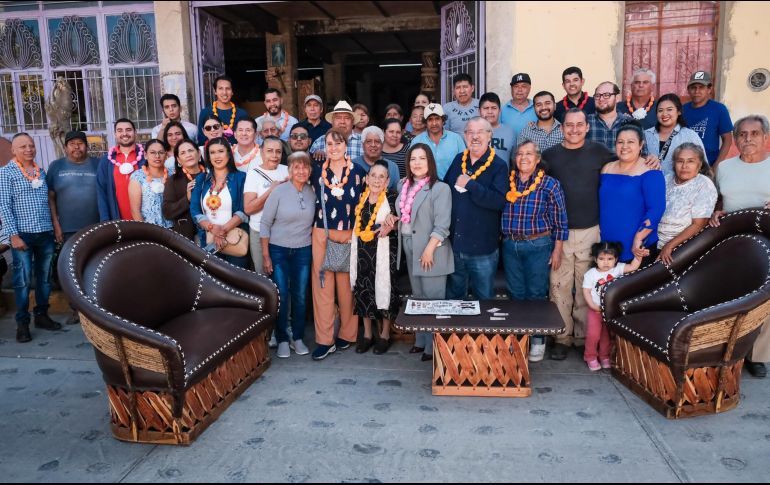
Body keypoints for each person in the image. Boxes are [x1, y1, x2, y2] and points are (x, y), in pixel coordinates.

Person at [542, 108, 618, 361]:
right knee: (559, 286)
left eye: (579, 125)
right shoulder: (549, 156)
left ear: (587, 127)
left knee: (587, 285)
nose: (574, 130)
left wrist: (650, 160)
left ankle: (585, 337)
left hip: (590, 230)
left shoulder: (600, 152)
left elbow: (626, 162)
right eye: (569, 125)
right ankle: (562, 337)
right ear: (561, 128)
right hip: (559, 234)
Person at [710, 114, 770, 378]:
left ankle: (757, 356)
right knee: (732, 295)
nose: (748, 139)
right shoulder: (725, 168)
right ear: (734, 139)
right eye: (742, 134)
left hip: (767, 241)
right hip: (733, 242)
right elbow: (719, 201)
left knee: (764, 299)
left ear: (765, 137)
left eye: (754, 134)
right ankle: (730, 350)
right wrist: (716, 212)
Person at [502, 140, 568, 362]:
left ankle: (538, 341)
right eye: (519, 154)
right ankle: (518, 339)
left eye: (529, 154)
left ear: (538, 159)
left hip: (538, 245)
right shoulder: (508, 182)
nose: (523, 158)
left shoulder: (550, 184)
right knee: (515, 294)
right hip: (510, 245)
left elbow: (561, 221)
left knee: (537, 294)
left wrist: (557, 250)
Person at [309, 130, 367, 360]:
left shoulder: (359, 172)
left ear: (346, 145)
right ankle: (325, 339)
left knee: (347, 286)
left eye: (338, 143)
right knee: (322, 286)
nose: (333, 147)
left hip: (349, 232)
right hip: (322, 231)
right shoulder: (316, 172)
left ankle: (348, 333)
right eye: (329, 143)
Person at [0, 133, 61, 342]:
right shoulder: (6, 173)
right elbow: (4, 207)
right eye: (23, 146)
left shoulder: (40, 171)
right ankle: (22, 322)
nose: (28, 149)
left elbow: (49, 201)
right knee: (23, 281)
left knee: (44, 279)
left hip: (44, 233)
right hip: (22, 236)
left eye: (31, 145)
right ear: (13, 150)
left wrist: (55, 227)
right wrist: (13, 236)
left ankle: (42, 315)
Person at [396, 144, 453, 362]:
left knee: (434, 300)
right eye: (413, 159)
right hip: (410, 244)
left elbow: (442, 224)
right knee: (418, 297)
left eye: (422, 158)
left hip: (432, 248)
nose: (417, 163)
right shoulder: (405, 186)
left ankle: (433, 346)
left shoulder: (440, 188)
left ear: (430, 162)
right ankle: (421, 340)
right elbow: (405, 215)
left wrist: (429, 249)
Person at [443, 117, 508, 301]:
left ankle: (483, 332)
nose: (475, 136)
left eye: (480, 132)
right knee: (455, 296)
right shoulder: (458, 160)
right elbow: (446, 189)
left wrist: (471, 184)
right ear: (465, 136)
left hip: (483, 249)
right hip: (456, 245)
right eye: (470, 132)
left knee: (484, 298)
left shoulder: (498, 166)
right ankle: (456, 331)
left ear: (490, 136)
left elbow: (499, 202)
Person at [260, 152, 315, 358]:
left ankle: (297, 337)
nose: (301, 171)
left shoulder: (312, 191)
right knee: (282, 294)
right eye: (296, 167)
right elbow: (265, 223)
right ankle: (282, 337)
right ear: (290, 170)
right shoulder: (279, 191)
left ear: (310, 170)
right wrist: (266, 255)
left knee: (300, 296)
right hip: (278, 249)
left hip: (303, 250)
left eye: (305, 167)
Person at [46, 130, 100, 325]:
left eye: (80, 143)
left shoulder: (98, 164)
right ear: (66, 146)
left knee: (92, 267)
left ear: (87, 146)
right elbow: (50, 198)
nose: (76, 146)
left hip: (95, 227)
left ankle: (94, 309)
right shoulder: (56, 167)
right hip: (68, 229)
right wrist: (56, 224)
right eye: (72, 143)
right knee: (71, 270)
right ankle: (76, 309)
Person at [350, 161, 400, 355]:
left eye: (382, 176)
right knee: (363, 291)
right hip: (362, 252)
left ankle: (385, 334)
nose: (377, 180)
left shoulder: (393, 198)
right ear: (367, 178)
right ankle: (368, 335)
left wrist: (393, 224)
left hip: (384, 252)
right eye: (374, 175)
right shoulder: (361, 199)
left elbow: (401, 222)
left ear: (387, 181)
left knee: (385, 291)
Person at [600, 123, 666, 264]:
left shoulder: (651, 170)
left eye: (631, 142)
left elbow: (656, 209)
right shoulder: (606, 168)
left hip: (637, 244)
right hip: (607, 246)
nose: (625, 146)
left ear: (641, 145)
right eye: (620, 142)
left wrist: (639, 238)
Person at [582, 242, 645, 371]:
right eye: (601, 259)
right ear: (595, 259)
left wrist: (638, 257)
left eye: (610, 259)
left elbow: (633, 267)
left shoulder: (617, 269)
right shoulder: (591, 274)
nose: (606, 262)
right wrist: (592, 306)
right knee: (593, 334)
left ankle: (604, 356)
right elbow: (586, 291)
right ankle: (590, 356)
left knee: (607, 335)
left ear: (616, 259)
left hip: (611, 310)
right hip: (596, 310)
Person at [190, 137, 250, 268]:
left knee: (237, 283)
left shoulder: (241, 178)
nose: (217, 156)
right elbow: (195, 210)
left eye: (221, 151)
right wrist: (212, 228)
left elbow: (244, 209)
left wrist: (222, 231)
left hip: (235, 240)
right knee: (211, 283)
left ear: (228, 153)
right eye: (212, 152)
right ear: (208, 157)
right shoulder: (201, 179)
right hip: (208, 241)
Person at [657, 143, 717, 265]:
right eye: (680, 161)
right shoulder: (666, 179)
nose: (684, 166)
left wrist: (669, 246)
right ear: (674, 164)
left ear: (699, 165)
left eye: (690, 161)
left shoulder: (703, 185)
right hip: (655, 241)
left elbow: (698, 225)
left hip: (682, 247)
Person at [244, 136, 289, 273]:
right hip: (259, 232)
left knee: (283, 275)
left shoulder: (287, 170)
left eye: (278, 151)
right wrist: (271, 191)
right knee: (263, 276)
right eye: (270, 151)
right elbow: (249, 209)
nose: (274, 156)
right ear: (261, 152)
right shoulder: (253, 174)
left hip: (284, 233)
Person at [96, 119, 146, 221]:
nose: (124, 134)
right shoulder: (107, 160)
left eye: (128, 130)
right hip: (117, 221)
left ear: (135, 132)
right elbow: (101, 192)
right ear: (115, 134)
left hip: (145, 220)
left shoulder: (146, 156)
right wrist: (105, 221)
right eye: (120, 130)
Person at [644, 93, 704, 176]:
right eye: (660, 110)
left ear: (679, 111)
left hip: (680, 186)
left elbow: (703, 166)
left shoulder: (690, 136)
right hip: (651, 186)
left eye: (669, 109)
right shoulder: (646, 135)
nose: (664, 114)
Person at [682, 71, 734, 166]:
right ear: (688, 90)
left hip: (709, 164)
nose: (697, 91)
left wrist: (716, 165)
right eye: (693, 88)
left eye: (701, 87)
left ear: (709, 89)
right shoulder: (682, 109)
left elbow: (727, 140)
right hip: (685, 164)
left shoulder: (719, 109)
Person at [409, 103, 466, 179]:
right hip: (424, 187)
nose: (434, 123)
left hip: (452, 186)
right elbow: (411, 166)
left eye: (437, 118)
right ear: (425, 122)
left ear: (443, 120)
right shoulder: (417, 141)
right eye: (430, 119)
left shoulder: (456, 139)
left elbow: (464, 163)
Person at [162, 139, 204, 241]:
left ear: (198, 154)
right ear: (179, 160)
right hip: (188, 237)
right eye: (183, 153)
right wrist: (187, 199)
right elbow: (167, 212)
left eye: (191, 150)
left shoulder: (211, 175)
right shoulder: (173, 180)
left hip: (214, 231)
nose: (188, 155)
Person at [128, 139, 172, 229]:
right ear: (145, 155)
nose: (157, 156)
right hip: (150, 230)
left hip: (173, 229)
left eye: (161, 152)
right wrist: (145, 232)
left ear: (166, 155)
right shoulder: (138, 177)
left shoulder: (172, 175)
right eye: (152, 152)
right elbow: (135, 210)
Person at [196, 75, 248, 145]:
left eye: (228, 89)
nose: (224, 92)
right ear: (215, 91)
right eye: (220, 88)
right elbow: (201, 139)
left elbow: (247, 137)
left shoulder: (242, 114)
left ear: (232, 92)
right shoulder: (205, 112)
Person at [587, 82, 638, 151]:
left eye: (606, 95)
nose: (601, 99)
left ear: (617, 98)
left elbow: (643, 155)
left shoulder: (631, 123)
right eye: (597, 95)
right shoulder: (585, 122)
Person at [353, 126, 400, 191]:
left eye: (377, 141)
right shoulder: (352, 165)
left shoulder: (393, 167)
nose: (373, 145)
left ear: (382, 144)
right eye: (369, 141)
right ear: (362, 145)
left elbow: (396, 195)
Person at [500, 73, 537, 143]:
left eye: (524, 86)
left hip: (533, 153)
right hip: (509, 153)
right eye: (516, 86)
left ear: (529, 88)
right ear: (511, 89)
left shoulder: (537, 108)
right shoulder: (501, 110)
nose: (520, 90)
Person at [480, 92, 515, 165]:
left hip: (503, 175)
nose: (490, 112)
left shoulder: (509, 132)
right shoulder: (473, 131)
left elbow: (514, 160)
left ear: (499, 111)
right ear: (479, 111)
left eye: (494, 108)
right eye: (486, 108)